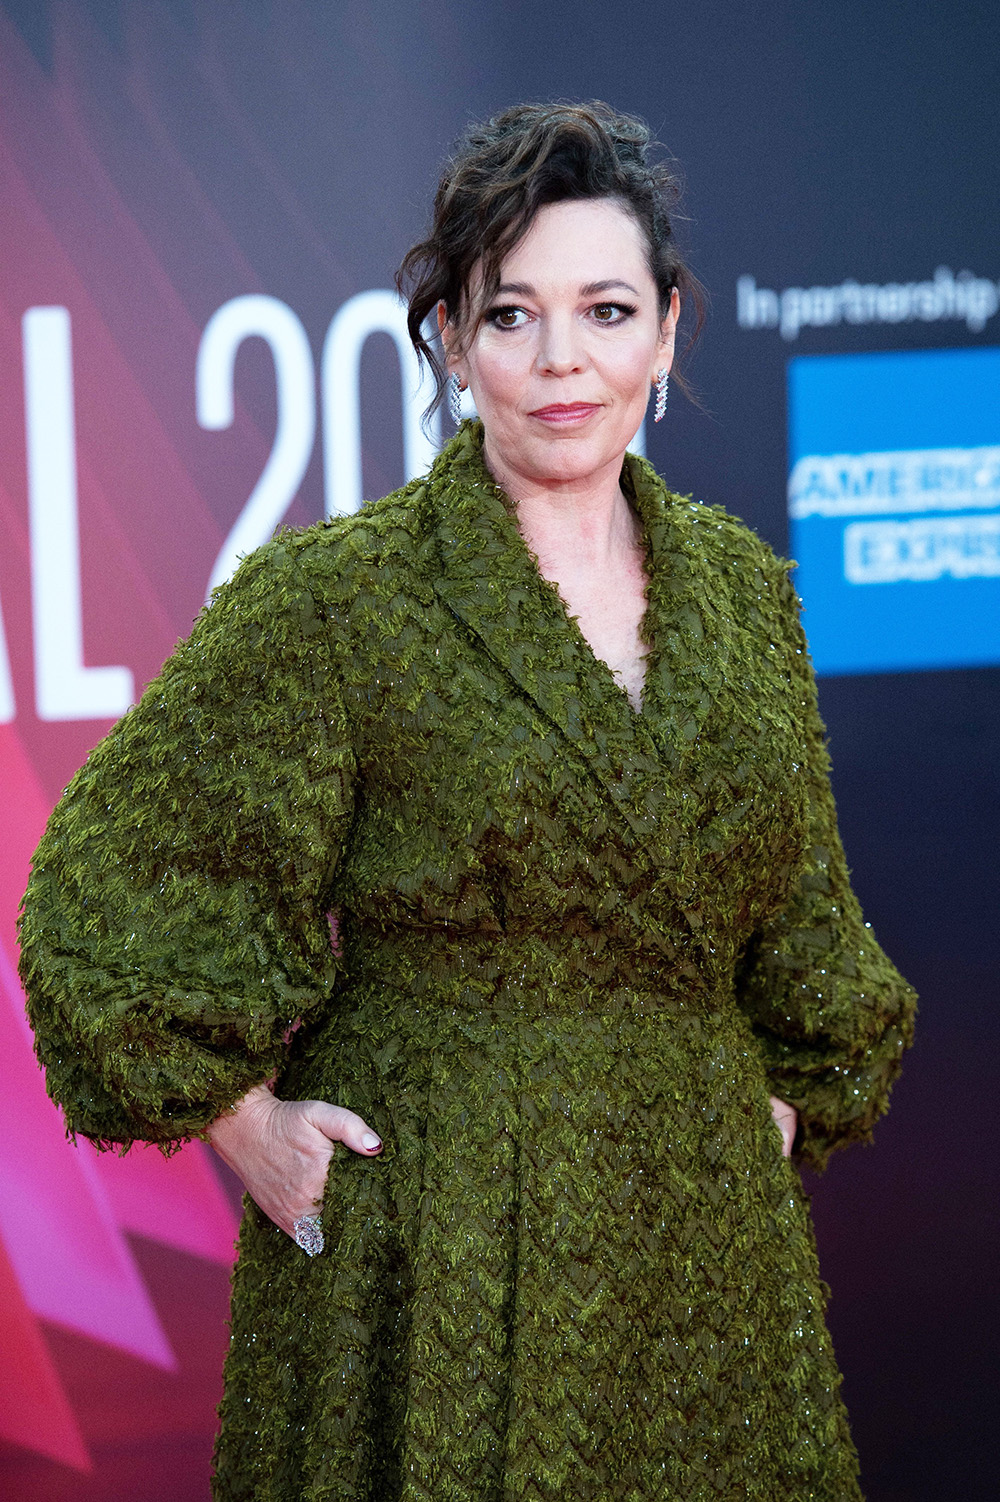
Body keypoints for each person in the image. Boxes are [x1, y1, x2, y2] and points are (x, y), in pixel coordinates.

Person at [19, 101, 916, 1501]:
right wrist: (248, 1125)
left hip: (706, 1274)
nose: (563, 360)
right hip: (430, 1266)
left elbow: (804, 924)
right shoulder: (340, 597)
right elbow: (102, 893)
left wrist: (775, 1109)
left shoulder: (745, 594)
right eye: (512, 315)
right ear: (451, 339)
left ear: (668, 330)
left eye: (606, 309)